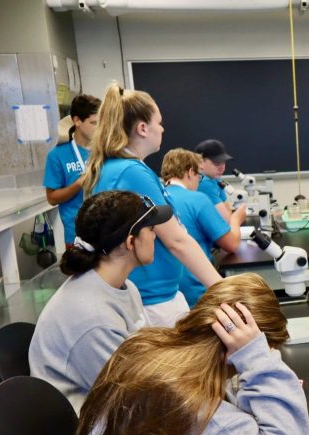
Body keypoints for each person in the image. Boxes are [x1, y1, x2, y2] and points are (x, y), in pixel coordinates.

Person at [72, 273, 309, 435]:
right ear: (233, 352)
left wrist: (259, 383)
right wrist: (259, 363)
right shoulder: (187, 407)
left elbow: (223, 415)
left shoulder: (151, 348)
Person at [82, 84, 222, 327]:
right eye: (159, 122)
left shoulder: (112, 167)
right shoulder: (132, 172)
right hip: (154, 301)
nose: (163, 128)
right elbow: (176, 240)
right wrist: (224, 290)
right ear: (143, 128)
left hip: (147, 296)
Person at [29, 190, 171, 413]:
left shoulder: (125, 288)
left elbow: (148, 358)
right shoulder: (94, 319)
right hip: (93, 429)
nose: (155, 236)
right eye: (151, 229)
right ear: (130, 242)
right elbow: (137, 401)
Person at [161, 148, 247, 307]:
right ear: (189, 172)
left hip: (168, 292)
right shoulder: (197, 200)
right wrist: (236, 219)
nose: (198, 181)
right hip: (197, 293)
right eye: (198, 177)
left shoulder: (157, 198)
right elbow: (231, 244)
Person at [43, 94, 101, 246]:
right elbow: (52, 198)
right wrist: (79, 183)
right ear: (77, 121)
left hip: (106, 230)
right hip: (76, 236)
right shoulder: (57, 155)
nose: (99, 128)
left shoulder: (104, 150)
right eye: (94, 123)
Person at [195, 138, 234, 222]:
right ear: (200, 162)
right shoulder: (204, 183)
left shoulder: (215, 179)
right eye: (216, 163)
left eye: (224, 162)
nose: (222, 168)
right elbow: (226, 219)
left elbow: (228, 211)